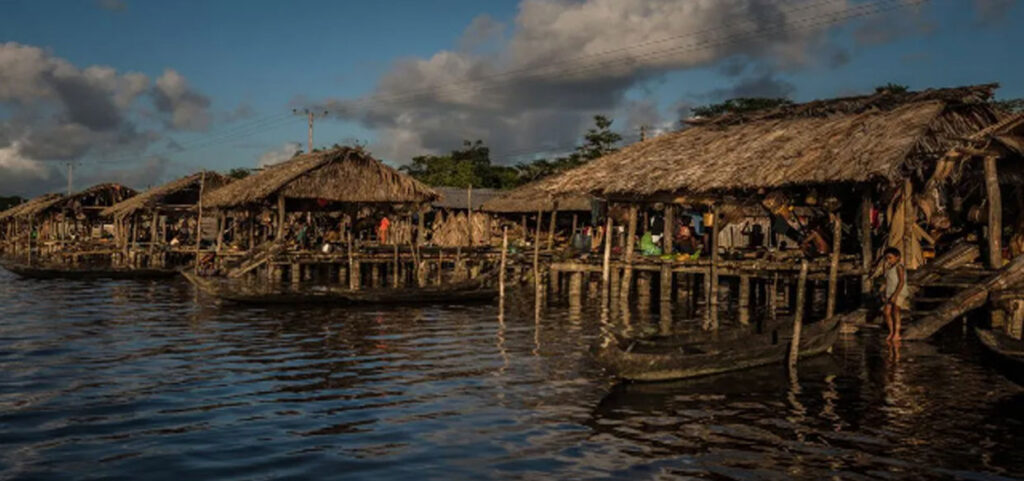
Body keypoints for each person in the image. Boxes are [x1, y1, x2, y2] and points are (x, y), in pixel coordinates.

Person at [881, 247, 908, 342]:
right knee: (886, 312)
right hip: (890, 292)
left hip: (898, 292)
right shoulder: (889, 268)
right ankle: (891, 331)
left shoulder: (899, 267)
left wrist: (895, 295)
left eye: (890, 258)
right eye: (887, 258)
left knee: (896, 311)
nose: (888, 260)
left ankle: (897, 333)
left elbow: (901, 282)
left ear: (897, 257)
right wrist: (883, 293)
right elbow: (886, 282)